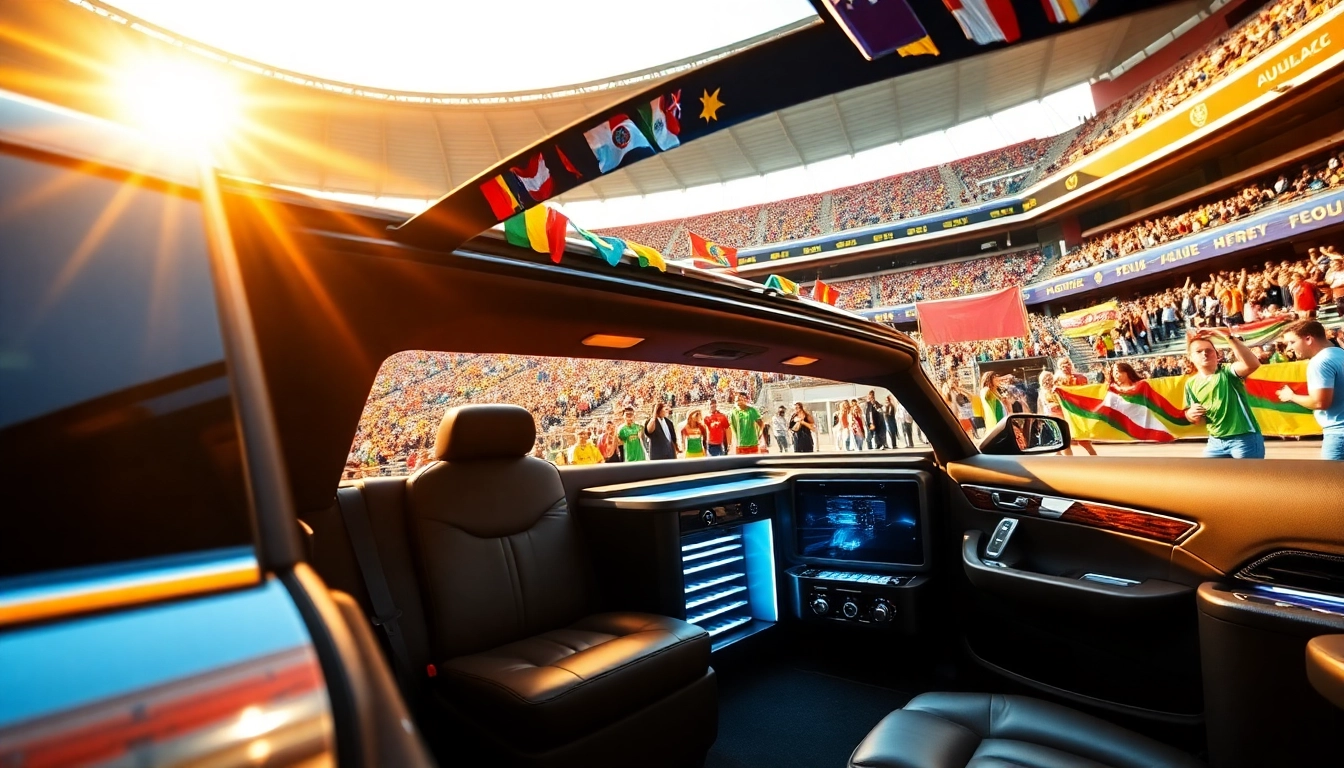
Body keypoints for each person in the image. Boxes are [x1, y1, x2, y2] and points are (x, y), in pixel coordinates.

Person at [1184, 329, 1264, 459]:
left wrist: (1229, 337)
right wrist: (1190, 415)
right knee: (1210, 478)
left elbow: (1252, 364)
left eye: (1209, 350)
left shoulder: (1227, 372)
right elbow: (1196, 418)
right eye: (1199, 351)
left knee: (1249, 479)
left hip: (1243, 439)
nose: (1205, 353)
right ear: (1190, 357)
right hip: (1215, 442)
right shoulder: (1190, 384)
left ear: (1217, 354)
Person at [1277, 320, 1343, 460]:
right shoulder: (1340, 353)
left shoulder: (1319, 362)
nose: (1289, 348)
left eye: (1292, 342)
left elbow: (1320, 403)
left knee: (1331, 481)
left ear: (1308, 339)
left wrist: (1291, 396)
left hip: (1338, 435)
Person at [1055, 359, 1098, 455]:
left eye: (1067, 365)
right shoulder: (1057, 380)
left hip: (1077, 412)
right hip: (1063, 412)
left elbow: (1085, 393)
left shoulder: (1080, 378)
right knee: (1064, 439)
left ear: (1071, 365)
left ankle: (1094, 456)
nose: (1065, 367)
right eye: (1062, 365)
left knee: (1082, 439)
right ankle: (1065, 461)